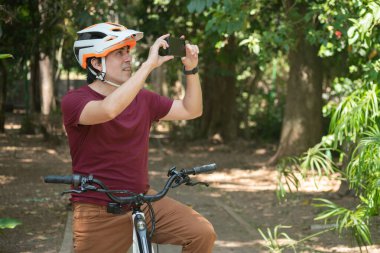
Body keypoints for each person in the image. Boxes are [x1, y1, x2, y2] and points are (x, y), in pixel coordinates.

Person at [61, 22, 216, 253]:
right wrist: (148, 66)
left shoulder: (142, 99)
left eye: (128, 52)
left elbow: (191, 110)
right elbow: (108, 110)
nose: (128, 58)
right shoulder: (75, 100)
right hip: (98, 210)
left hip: (142, 201)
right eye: (118, 53)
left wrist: (191, 70)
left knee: (201, 233)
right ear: (95, 62)